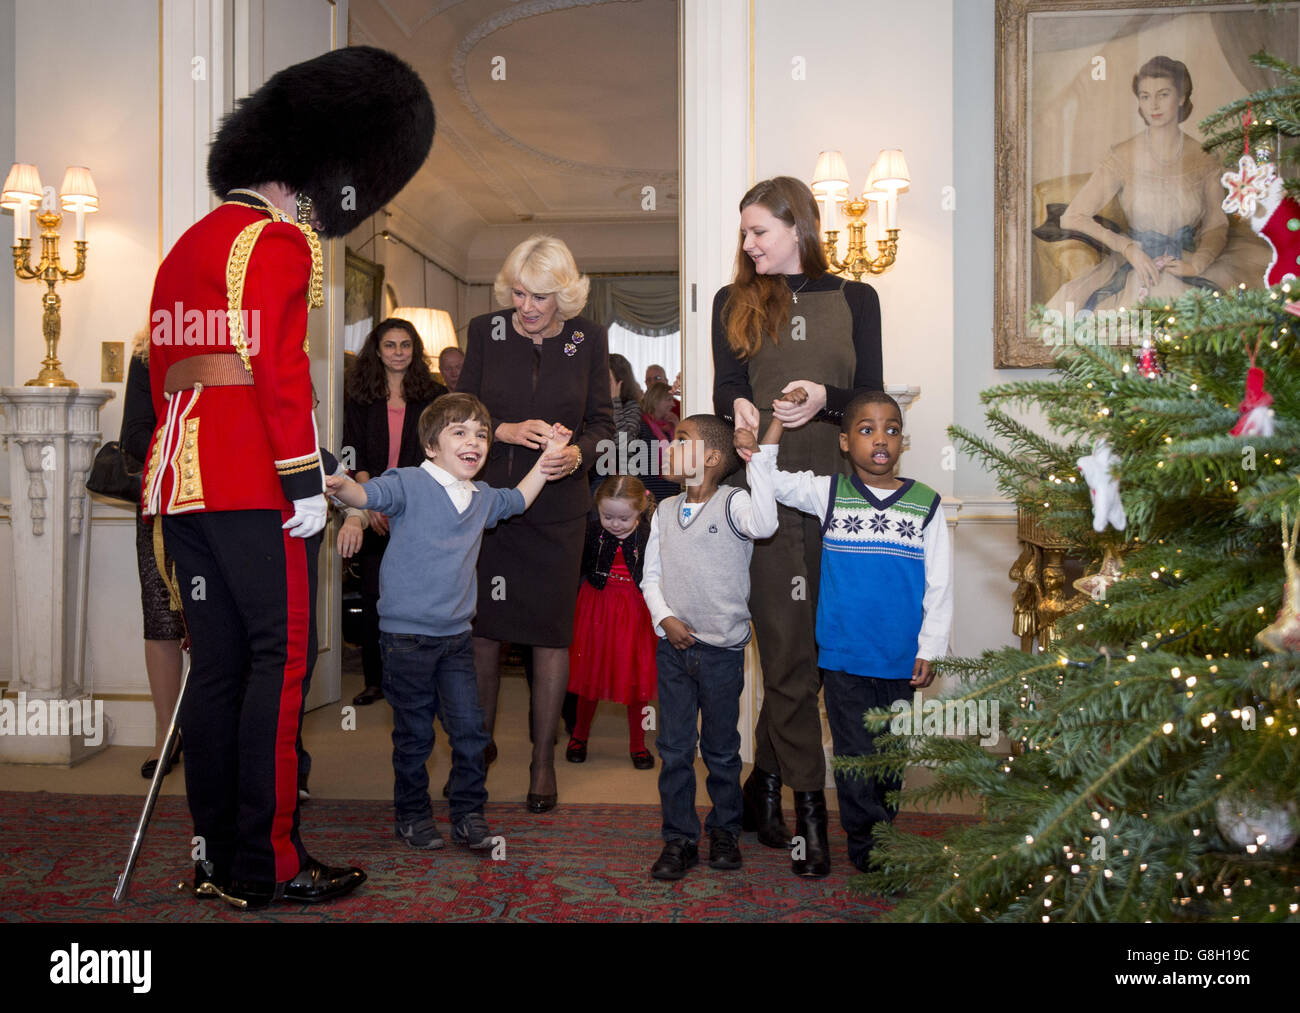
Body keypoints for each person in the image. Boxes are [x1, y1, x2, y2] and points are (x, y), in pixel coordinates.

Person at [141, 45, 434, 909]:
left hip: (180, 488)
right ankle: (268, 860)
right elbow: (276, 372)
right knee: (280, 666)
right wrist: (306, 486)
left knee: (218, 670)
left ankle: (212, 852)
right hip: (257, 488)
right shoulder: (274, 240)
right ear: (298, 178)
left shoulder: (185, 245)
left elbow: (167, 378)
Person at [711, 175, 882, 877]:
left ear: (799, 227)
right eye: (745, 233)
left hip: (841, 497)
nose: (747, 245)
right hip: (769, 499)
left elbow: (873, 398)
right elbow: (726, 388)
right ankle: (811, 817)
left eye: (760, 232)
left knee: (819, 655)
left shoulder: (855, 297)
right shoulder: (734, 301)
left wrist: (828, 399)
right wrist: (740, 413)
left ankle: (764, 785)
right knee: (785, 653)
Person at [738, 390, 952, 873]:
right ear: (844, 442)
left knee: (891, 758)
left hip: (900, 659)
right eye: (867, 429)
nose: (881, 439)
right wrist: (773, 426)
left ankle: (882, 831)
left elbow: (940, 585)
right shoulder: (828, 492)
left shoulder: (926, 504)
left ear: (903, 441)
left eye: (891, 430)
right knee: (856, 756)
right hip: (842, 658)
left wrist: (931, 646)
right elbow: (766, 479)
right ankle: (869, 848)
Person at [327, 394, 552, 850]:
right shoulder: (408, 482)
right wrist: (339, 486)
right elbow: (366, 494)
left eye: (481, 434)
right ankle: (411, 816)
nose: (475, 442)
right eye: (460, 432)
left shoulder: (482, 496)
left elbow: (518, 501)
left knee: (471, 733)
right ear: (431, 445)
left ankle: (469, 816)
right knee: (413, 737)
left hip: (455, 640)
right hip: (405, 638)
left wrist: (546, 462)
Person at [458, 235, 615, 812]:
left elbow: (602, 423)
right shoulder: (485, 331)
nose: (527, 308)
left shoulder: (588, 339)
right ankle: (472, 753)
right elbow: (460, 411)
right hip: (493, 506)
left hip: (557, 511)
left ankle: (542, 761)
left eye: (542, 297)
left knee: (551, 636)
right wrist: (499, 430)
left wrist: (579, 455)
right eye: (520, 294)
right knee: (483, 636)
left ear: (565, 295)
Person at [641, 414, 778, 880]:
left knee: (721, 750)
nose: (668, 445)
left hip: (723, 651)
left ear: (712, 458)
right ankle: (679, 839)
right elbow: (651, 576)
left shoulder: (735, 503)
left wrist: (755, 455)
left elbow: (766, 521)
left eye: (680, 440)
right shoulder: (661, 510)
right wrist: (664, 617)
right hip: (674, 650)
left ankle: (725, 830)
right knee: (675, 749)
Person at [1043, 56, 1256, 317]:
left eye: (1163, 94)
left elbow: (1216, 224)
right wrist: (1127, 247)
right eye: (1145, 96)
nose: (1153, 105)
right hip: (1137, 263)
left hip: (1188, 261)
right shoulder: (1123, 156)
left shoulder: (1204, 158)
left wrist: (1197, 264)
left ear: (1181, 97)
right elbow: (1072, 217)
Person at [342, 318, 447, 707]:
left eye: (405, 345)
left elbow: (438, 453)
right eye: (390, 345)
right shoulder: (359, 395)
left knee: (418, 594)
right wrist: (370, 499)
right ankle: (375, 680)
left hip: (418, 504)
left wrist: (402, 498)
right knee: (375, 595)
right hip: (370, 504)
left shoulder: (434, 395)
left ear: (415, 351)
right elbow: (352, 449)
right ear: (378, 350)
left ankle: (421, 677)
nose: (398, 352)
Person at [120, 329, 184, 781]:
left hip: (229, 504)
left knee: (222, 624)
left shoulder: (241, 342)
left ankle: (221, 732)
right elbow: (135, 434)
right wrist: (186, 456)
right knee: (161, 619)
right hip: (163, 503)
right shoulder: (146, 355)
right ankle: (167, 735)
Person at [565, 476, 657, 768]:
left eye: (623, 518)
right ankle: (578, 736)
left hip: (635, 609)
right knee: (590, 674)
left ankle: (638, 744)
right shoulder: (591, 532)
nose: (615, 524)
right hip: (596, 609)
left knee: (635, 678)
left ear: (639, 512)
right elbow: (574, 566)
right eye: (607, 516)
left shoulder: (649, 534)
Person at [638, 381, 681, 505]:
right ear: (655, 400)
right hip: (648, 492)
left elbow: (682, 454)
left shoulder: (670, 427)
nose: (673, 404)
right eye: (668, 400)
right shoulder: (641, 425)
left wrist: (678, 425)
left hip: (671, 491)